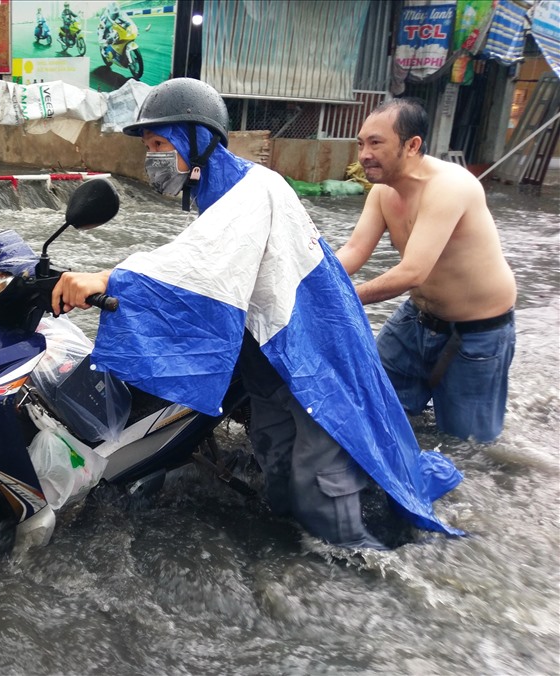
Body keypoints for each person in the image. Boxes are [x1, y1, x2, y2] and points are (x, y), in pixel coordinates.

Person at [51, 78, 464, 549]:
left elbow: (198, 263)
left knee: (321, 489)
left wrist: (108, 278)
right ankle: (298, 553)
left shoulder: (254, 188)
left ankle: (363, 572)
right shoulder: (218, 195)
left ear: (197, 139)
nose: (153, 157)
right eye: (149, 146)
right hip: (270, 363)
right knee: (279, 472)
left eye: (161, 143)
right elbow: (206, 264)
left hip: (311, 357)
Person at [336, 98, 517, 443]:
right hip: (418, 318)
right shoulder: (382, 192)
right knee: (369, 404)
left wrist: (343, 299)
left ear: (412, 144)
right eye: (361, 143)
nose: (364, 154)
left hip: (479, 332)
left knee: (465, 446)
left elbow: (411, 273)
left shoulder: (449, 186)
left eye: (376, 143)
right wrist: (310, 280)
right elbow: (354, 251)